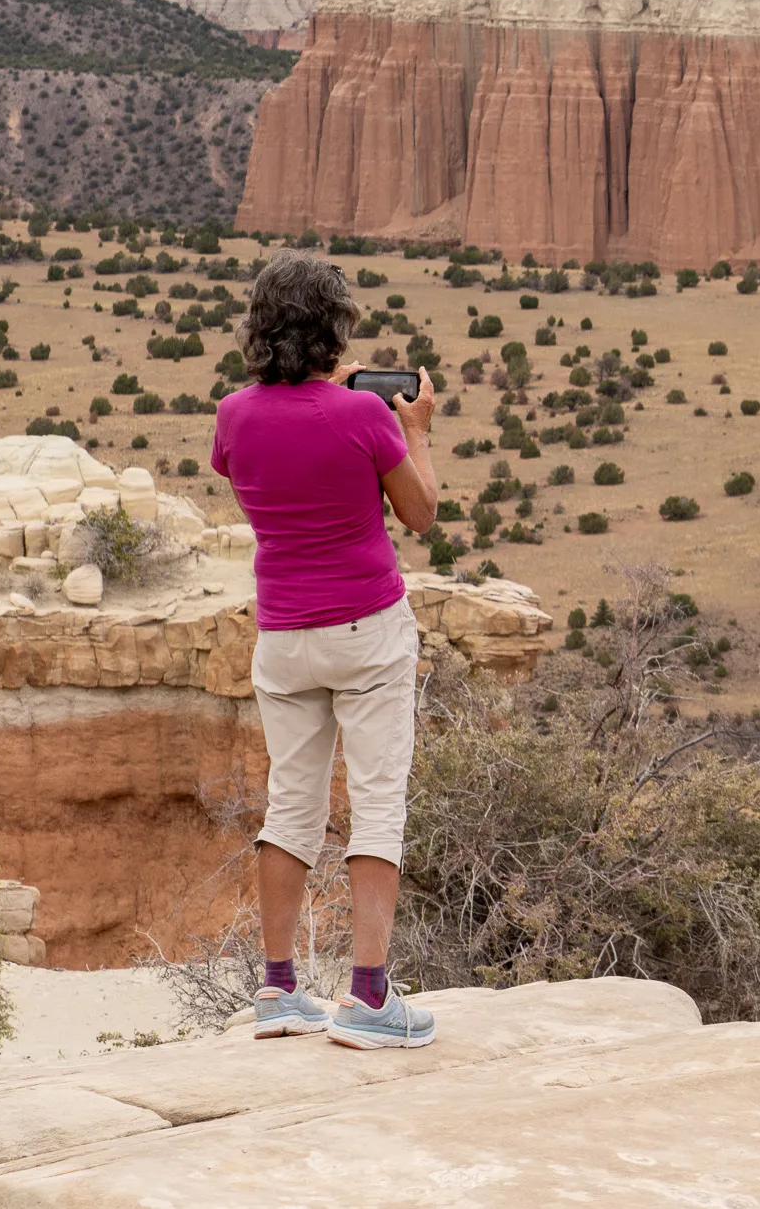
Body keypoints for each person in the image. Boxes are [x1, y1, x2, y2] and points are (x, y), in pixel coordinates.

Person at [210, 251, 441, 1050]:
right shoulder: (364, 416)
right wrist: (416, 432)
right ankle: (369, 999)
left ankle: (279, 990)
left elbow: (253, 477)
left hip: (283, 634)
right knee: (378, 801)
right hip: (366, 629)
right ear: (334, 329)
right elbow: (421, 513)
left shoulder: (233, 415)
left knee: (292, 807)